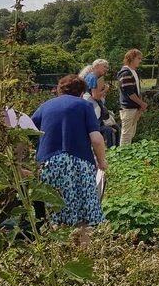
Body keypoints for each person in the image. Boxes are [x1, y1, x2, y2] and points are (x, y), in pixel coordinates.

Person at [32, 75, 107, 230]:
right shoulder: (84, 106)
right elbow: (97, 139)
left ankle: (58, 249)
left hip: (49, 163)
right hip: (79, 163)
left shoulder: (45, 106)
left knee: (55, 213)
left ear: (59, 90)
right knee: (85, 214)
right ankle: (82, 250)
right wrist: (102, 162)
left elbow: (26, 133)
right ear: (81, 92)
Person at [117, 49, 147, 146]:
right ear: (132, 58)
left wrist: (140, 104)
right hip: (128, 108)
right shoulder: (125, 73)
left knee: (130, 134)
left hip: (134, 107)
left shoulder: (132, 72)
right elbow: (130, 93)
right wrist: (142, 103)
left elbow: (136, 91)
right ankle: (123, 155)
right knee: (126, 134)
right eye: (138, 58)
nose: (140, 61)